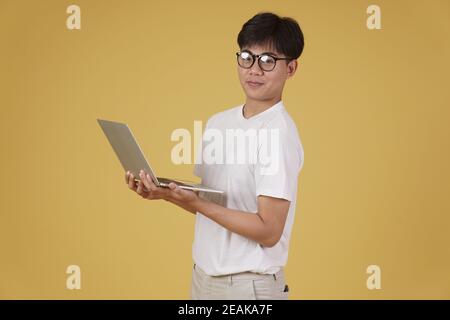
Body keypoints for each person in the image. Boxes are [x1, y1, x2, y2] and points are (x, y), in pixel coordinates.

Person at [125, 11, 305, 300]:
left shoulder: (278, 133)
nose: (254, 69)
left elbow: (269, 230)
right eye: (247, 57)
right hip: (203, 278)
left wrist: (196, 201)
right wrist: (166, 193)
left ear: (291, 68)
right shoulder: (219, 123)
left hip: (249, 287)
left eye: (268, 61)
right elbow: (216, 203)